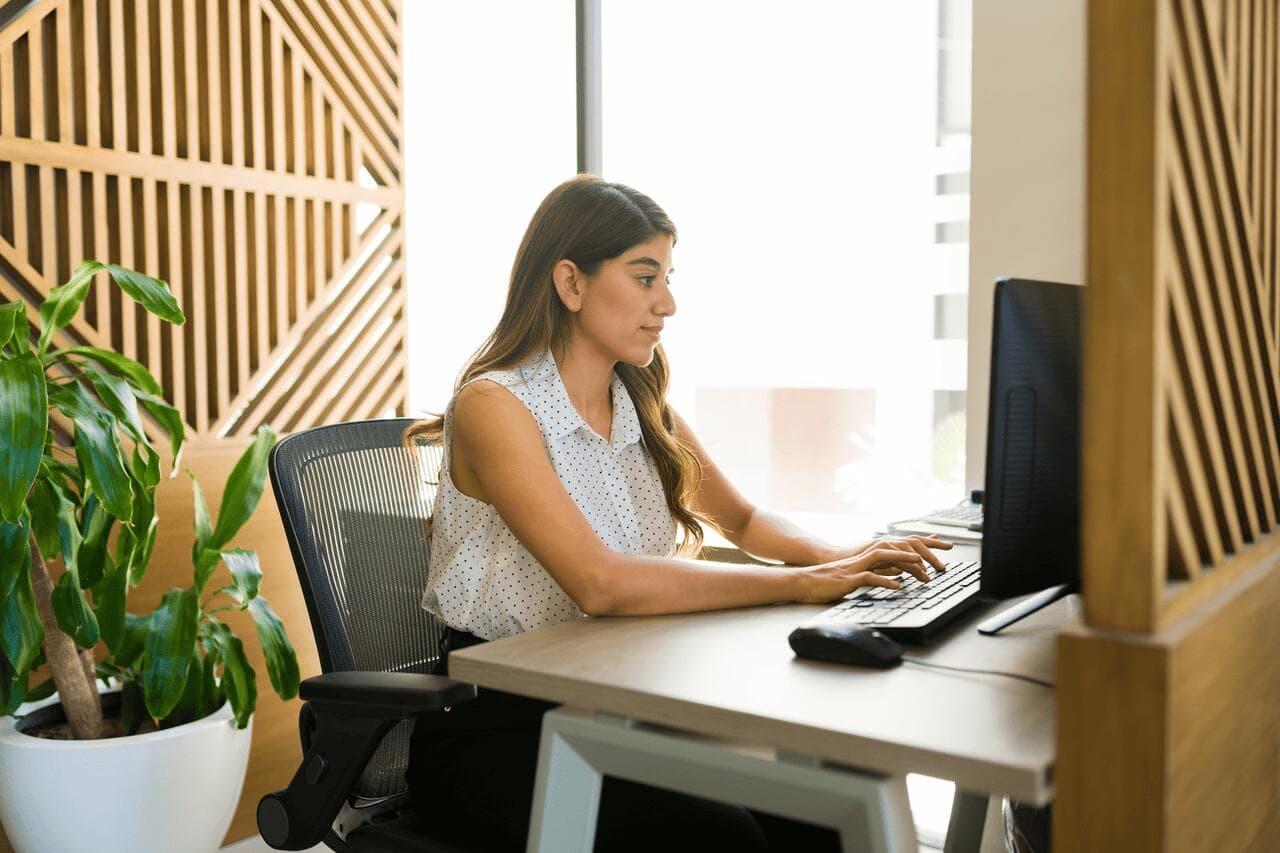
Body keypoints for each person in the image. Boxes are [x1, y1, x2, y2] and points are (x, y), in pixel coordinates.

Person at [403, 174, 952, 852]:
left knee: (819, 820)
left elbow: (744, 521)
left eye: (667, 276)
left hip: (620, 704)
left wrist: (843, 556)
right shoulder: (495, 406)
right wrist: (804, 585)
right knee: (727, 839)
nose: (666, 303)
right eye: (644, 277)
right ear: (570, 283)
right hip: (502, 731)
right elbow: (598, 583)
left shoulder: (640, 399)